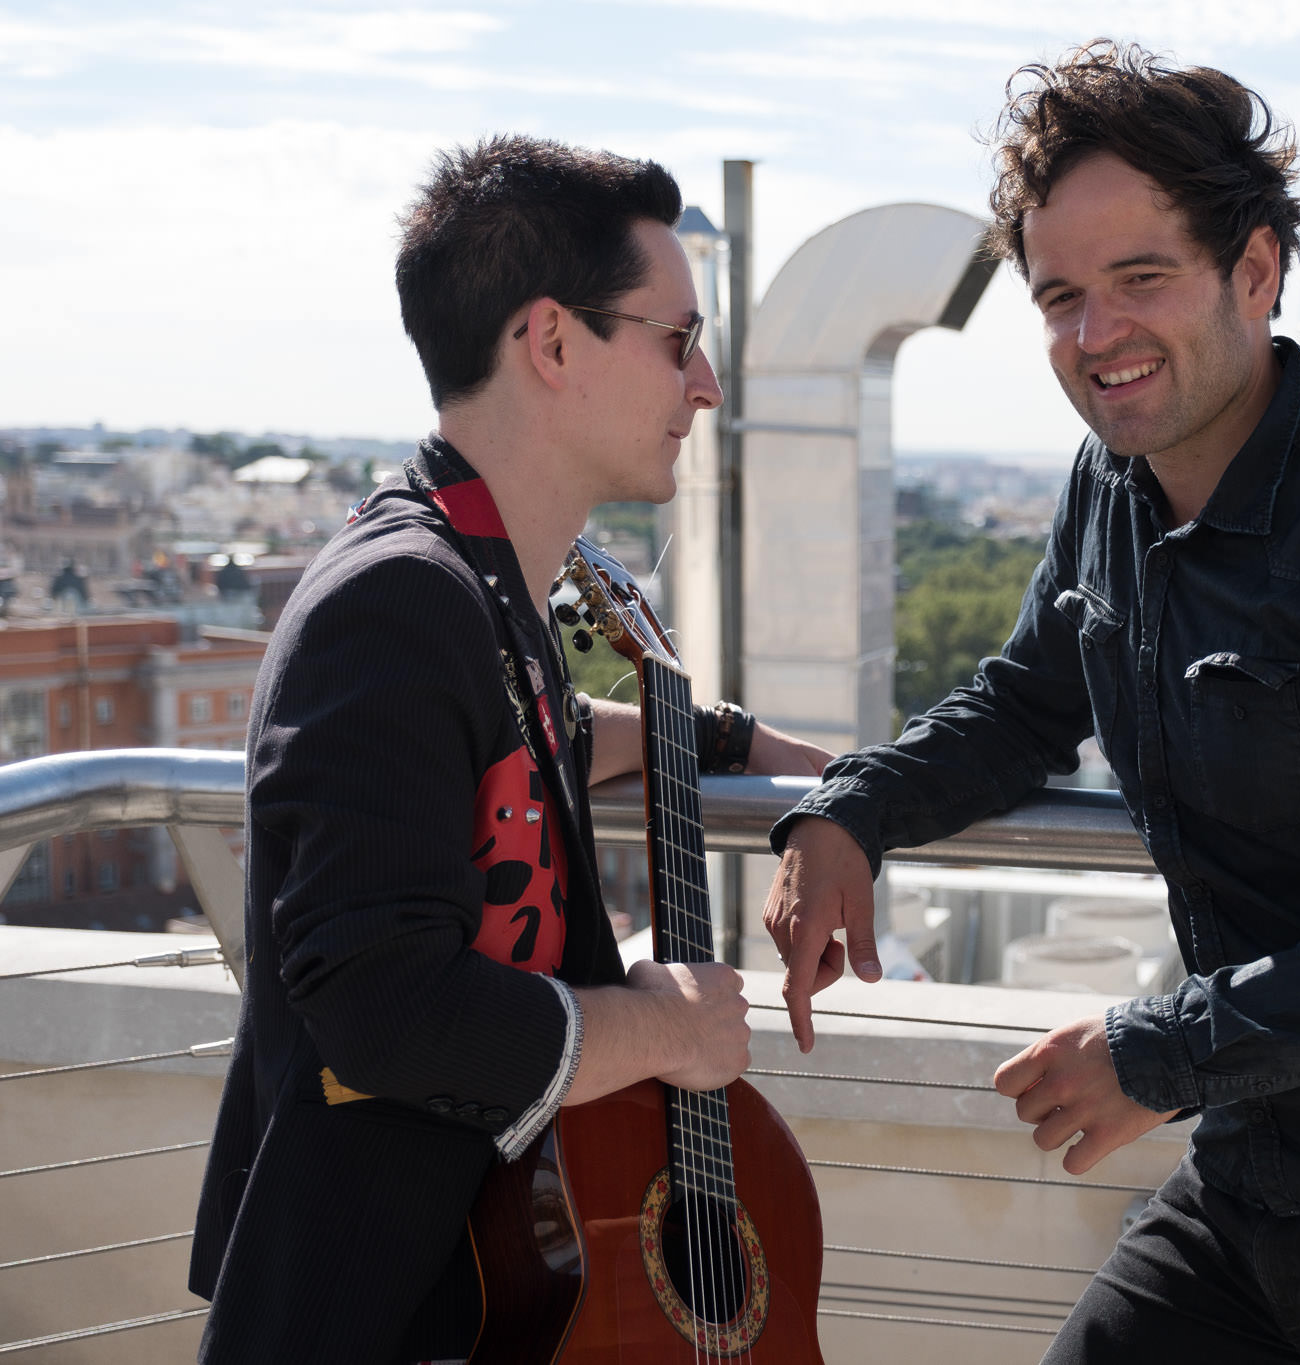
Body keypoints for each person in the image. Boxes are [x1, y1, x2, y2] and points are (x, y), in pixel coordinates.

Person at [762, 42, 1300, 1364]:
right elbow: (1024, 702)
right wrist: (850, 808)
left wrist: (1161, 1054)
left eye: (1140, 279)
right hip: (1258, 1173)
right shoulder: (1109, 485)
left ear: (1255, 272)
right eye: (1060, 297)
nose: (1094, 336)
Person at [189, 135, 832, 1363]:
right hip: (372, 1315)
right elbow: (382, 1003)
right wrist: (660, 1030)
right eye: (677, 340)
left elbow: (518, 741)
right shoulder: (392, 602)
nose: (703, 387)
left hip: (476, 1290)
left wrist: (743, 746)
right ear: (550, 342)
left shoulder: (477, 583)